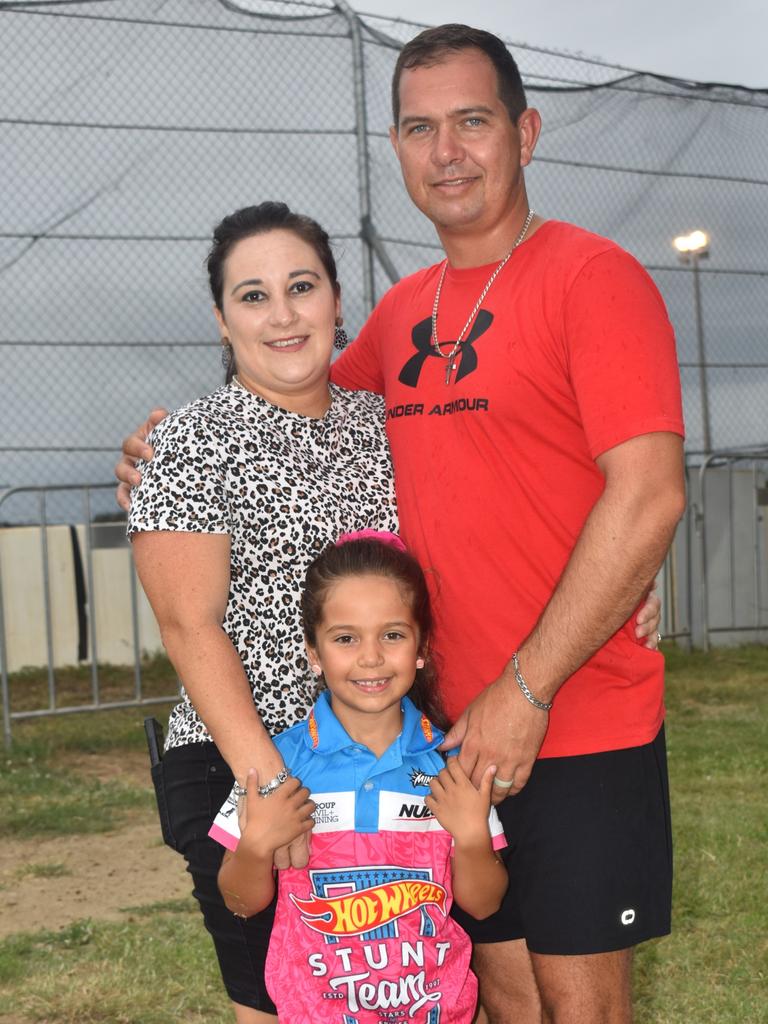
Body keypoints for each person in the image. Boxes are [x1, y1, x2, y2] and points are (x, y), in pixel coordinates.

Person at [115, 28, 670, 1021]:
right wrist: (159, 448)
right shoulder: (401, 319)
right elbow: (286, 391)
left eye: (472, 121)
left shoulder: (596, 278)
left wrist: (556, 654)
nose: (447, 150)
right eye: (420, 127)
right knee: (483, 990)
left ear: (526, 132)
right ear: (398, 148)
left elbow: (648, 494)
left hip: (572, 711)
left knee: (579, 1003)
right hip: (436, 739)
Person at [127, 202, 398, 1023]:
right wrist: (270, 786)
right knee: (287, 1005)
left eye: (301, 286)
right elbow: (188, 625)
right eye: (252, 295)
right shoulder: (192, 442)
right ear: (220, 318)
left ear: (339, 302)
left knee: (400, 985)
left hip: (383, 762)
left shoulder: (387, 426)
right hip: (247, 765)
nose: (282, 315)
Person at [209, 531, 509, 1023]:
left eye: (391, 635)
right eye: (346, 638)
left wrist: (473, 838)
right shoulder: (275, 763)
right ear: (313, 651)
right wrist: (256, 846)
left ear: (421, 647)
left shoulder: (451, 762)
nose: (371, 657)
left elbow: (484, 905)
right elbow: (239, 901)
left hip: (438, 1010)